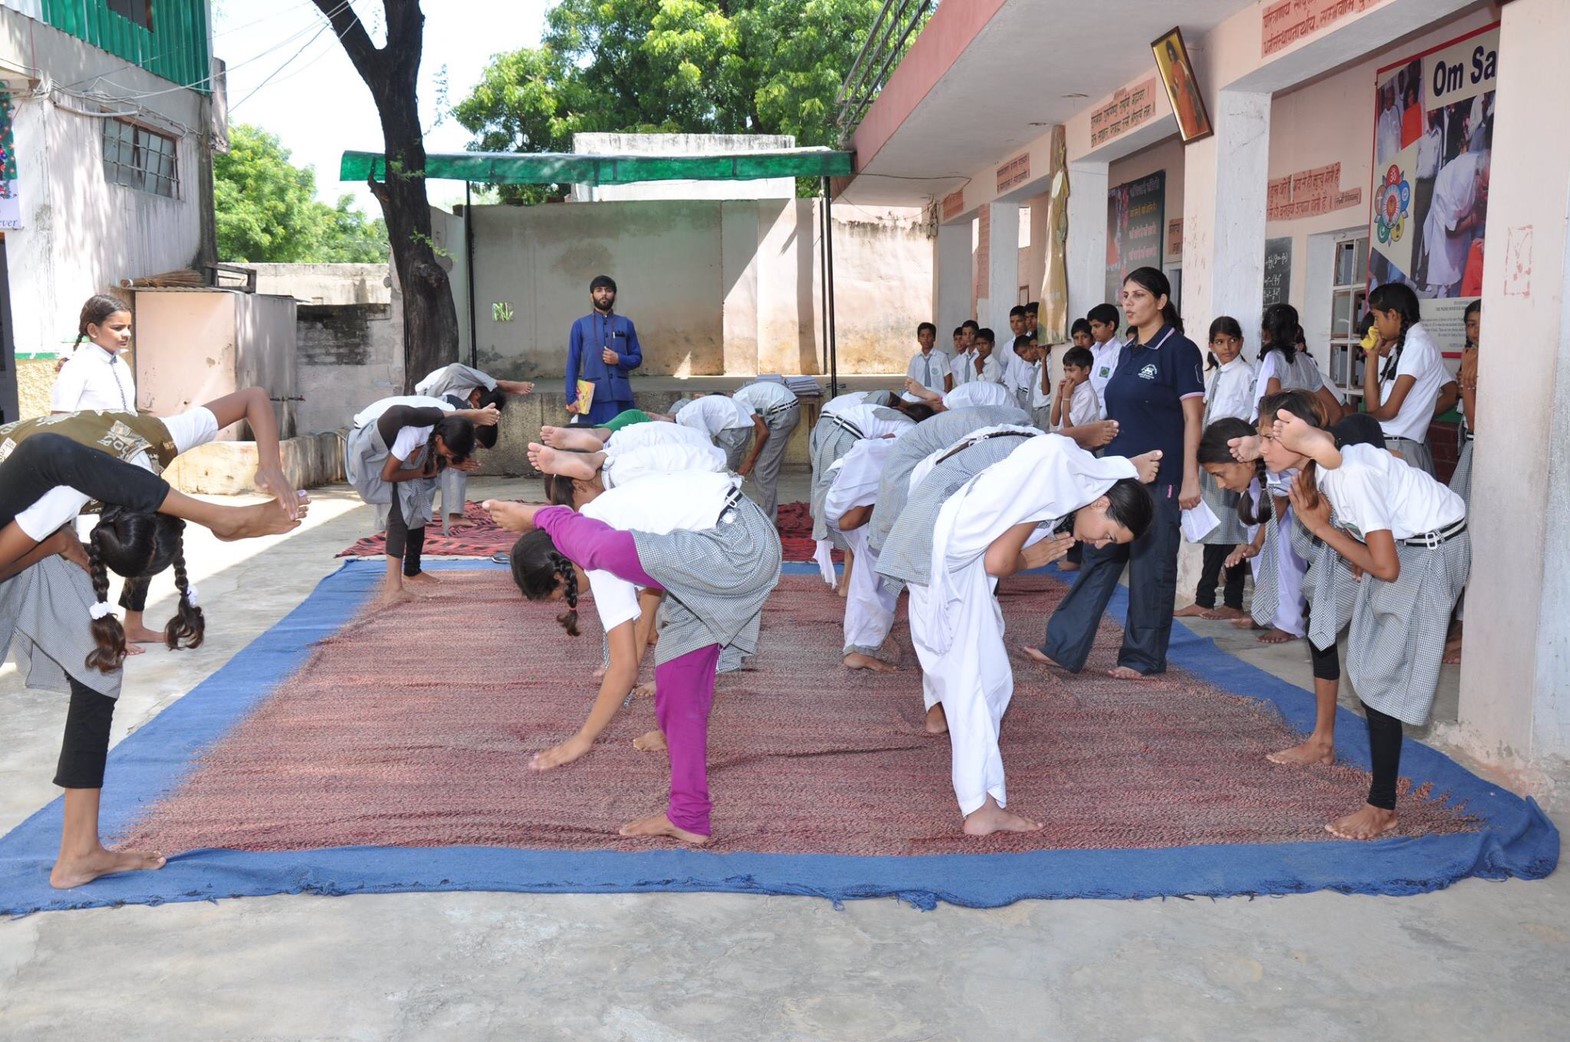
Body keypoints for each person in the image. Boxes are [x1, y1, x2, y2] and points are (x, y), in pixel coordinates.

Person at [1, 434, 303, 890]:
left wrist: (271, 464)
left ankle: (80, 853)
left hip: (25, 549)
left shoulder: (117, 459)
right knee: (46, 452)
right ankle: (222, 518)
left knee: (97, 670)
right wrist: (56, 546)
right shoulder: (93, 464)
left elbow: (250, 398)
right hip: (25, 548)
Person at [485, 472, 781, 845]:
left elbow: (623, 668)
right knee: (677, 685)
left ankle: (546, 515)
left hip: (737, 544)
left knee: (602, 548)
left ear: (562, 573)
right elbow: (630, 649)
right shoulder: (602, 547)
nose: (575, 601)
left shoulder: (595, 538)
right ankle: (689, 817)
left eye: (564, 595)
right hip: (717, 562)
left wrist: (583, 738)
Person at [886, 433, 1159, 834]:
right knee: (975, 683)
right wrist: (1027, 559)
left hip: (947, 557)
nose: (1099, 544)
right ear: (1102, 501)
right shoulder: (1053, 480)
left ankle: (980, 795)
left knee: (989, 679)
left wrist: (1121, 467)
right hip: (942, 559)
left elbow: (1068, 460)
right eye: (1109, 534)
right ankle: (980, 807)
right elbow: (998, 561)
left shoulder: (1060, 480)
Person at [1272, 407, 1469, 840]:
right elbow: (1392, 468)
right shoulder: (1329, 473)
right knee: (1364, 664)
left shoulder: (1348, 477)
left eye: (1271, 440)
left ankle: (1382, 808)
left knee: (1379, 675)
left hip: (1429, 552)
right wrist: (1358, 540)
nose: (1263, 451)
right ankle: (1378, 798)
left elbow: (1387, 569)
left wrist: (1323, 530)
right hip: (1411, 544)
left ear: (1305, 448)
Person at [1028, 267, 1204, 679]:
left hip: (1163, 475)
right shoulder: (1127, 351)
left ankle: (1141, 659)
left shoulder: (1179, 350)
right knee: (1098, 554)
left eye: (1138, 295)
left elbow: (1193, 419)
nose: (1128, 303)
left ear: (1161, 301)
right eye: (1125, 295)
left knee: (1150, 567)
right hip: (1120, 472)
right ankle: (1064, 646)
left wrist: (1191, 478)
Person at [343, 395, 496, 606]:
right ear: (440, 440)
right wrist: (420, 473)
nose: (451, 458)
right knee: (398, 512)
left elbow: (432, 462)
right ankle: (392, 589)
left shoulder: (445, 428)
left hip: (420, 427)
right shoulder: (412, 432)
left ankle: (412, 571)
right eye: (450, 454)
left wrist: (446, 464)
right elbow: (388, 475)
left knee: (416, 503)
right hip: (369, 432)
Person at [1176, 317, 1256, 621]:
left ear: (1241, 342)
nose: (1227, 347)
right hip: (1214, 453)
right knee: (1215, 530)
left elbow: (1245, 414)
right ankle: (1208, 597)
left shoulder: (1246, 374)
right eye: (1220, 342)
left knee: (1231, 529)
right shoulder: (1217, 375)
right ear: (1210, 345)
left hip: (1231, 455)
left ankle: (1225, 600)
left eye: (1232, 341)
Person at [415, 363, 535, 532]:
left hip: (446, 415)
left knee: (459, 453)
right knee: (430, 466)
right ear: (477, 395)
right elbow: (454, 371)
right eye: (480, 409)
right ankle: (426, 514)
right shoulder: (453, 382)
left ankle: (450, 512)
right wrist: (501, 384)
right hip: (428, 409)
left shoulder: (472, 394)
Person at [824, 435, 902, 672]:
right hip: (856, 510)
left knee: (870, 573)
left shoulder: (885, 444)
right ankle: (859, 648)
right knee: (872, 577)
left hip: (845, 497)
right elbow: (849, 522)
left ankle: (868, 639)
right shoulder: (884, 459)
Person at [1362, 283, 1458, 474]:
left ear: (1393, 314)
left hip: (1400, 447)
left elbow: (1388, 412)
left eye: (1377, 318)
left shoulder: (1418, 346)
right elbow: (1373, 405)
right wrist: (1372, 356)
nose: (1375, 326)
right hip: (1390, 443)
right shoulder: (1403, 347)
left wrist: (1361, 420)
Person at [1444, 300, 1480, 664]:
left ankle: (1470, 629)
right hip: (1469, 452)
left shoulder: (1483, 364)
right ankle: (1459, 622)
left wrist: (1468, 381)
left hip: (1484, 454)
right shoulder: (1470, 359)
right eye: (1471, 324)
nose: (1476, 332)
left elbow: (1478, 421)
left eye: (1483, 325)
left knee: (1475, 540)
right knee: (1460, 537)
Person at [566, 275, 643, 426]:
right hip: (592, 398)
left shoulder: (626, 323)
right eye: (599, 290)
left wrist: (619, 359)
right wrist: (570, 398)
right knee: (592, 441)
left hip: (621, 397)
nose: (603, 294)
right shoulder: (580, 325)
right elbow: (572, 363)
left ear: (615, 295)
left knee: (623, 442)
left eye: (608, 290)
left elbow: (637, 358)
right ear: (591, 296)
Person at [1422, 145, 1489, 298]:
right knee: (1447, 266)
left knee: (1466, 257)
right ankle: (1443, 298)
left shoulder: (1487, 172)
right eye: (1485, 189)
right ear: (1477, 176)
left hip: (1468, 204)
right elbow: (1450, 230)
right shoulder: (1461, 181)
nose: (1487, 196)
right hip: (1447, 202)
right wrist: (1474, 218)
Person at [52, 295, 138, 414]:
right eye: (118, 328)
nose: (127, 334)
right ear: (93, 330)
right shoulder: (77, 367)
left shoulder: (121, 365)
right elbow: (59, 418)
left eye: (128, 327)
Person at [730, 380, 801, 523]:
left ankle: (768, 524)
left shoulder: (738, 402)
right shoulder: (745, 396)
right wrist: (755, 457)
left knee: (763, 472)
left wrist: (749, 460)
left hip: (783, 414)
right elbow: (761, 428)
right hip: (788, 408)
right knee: (764, 467)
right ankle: (767, 517)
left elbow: (763, 432)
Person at [669, 393, 766, 473]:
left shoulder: (690, 417)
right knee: (714, 465)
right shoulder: (685, 409)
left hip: (735, 428)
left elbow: (705, 443)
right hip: (731, 421)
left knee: (721, 470)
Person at [1050, 346, 1099, 435]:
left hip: (1077, 446)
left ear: (1086, 370)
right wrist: (1059, 396)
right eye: (1065, 370)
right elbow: (1054, 421)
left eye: (1071, 370)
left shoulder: (1087, 395)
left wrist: (1066, 398)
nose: (1067, 375)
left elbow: (1069, 428)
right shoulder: (1070, 389)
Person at [1085, 303, 1122, 414]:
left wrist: (1100, 418)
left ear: (1110, 325)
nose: (1092, 331)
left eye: (1097, 326)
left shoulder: (1119, 352)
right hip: (1085, 409)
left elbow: (1115, 390)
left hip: (1104, 413)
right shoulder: (1092, 350)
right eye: (1091, 327)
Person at [905, 321, 953, 399]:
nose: (926, 339)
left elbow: (948, 382)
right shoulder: (915, 360)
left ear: (934, 338)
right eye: (922, 336)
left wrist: (944, 399)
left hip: (938, 397)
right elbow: (910, 382)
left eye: (929, 335)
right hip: (919, 398)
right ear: (918, 338)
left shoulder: (941, 357)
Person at [950, 320, 979, 386]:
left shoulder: (980, 356)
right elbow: (959, 382)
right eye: (965, 334)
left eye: (971, 334)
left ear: (977, 334)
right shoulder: (961, 359)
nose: (968, 337)